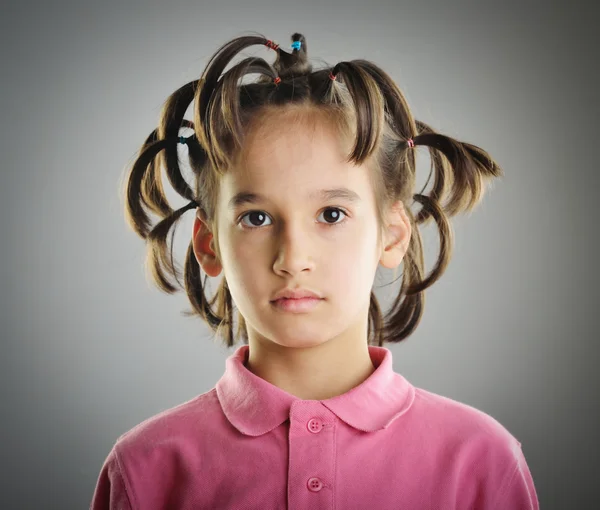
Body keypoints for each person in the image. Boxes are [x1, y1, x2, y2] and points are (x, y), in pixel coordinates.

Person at [90, 32, 539, 509]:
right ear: (209, 244)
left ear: (392, 234)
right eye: (256, 218)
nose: (292, 259)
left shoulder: (480, 460)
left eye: (331, 215)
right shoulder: (147, 468)